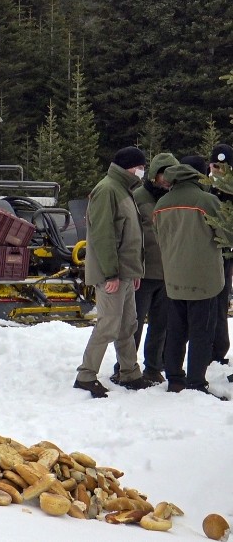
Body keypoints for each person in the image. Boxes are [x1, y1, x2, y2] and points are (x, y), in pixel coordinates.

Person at [73, 147, 154, 398]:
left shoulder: (123, 189)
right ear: (131, 167)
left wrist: (134, 271)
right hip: (113, 274)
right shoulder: (108, 189)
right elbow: (104, 236)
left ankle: (130, 373)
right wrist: (111, 274)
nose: (143, 171)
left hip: (125, 273)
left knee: (127, 324)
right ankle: (86, 375)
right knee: (108, 325)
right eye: (141, 166)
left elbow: (130, 234)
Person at [154, 158, 228, 400]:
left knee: (176, 330)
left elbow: (159, 237)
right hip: (203, 278)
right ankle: (196, 383)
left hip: (173, 276)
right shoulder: (207, 201)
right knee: (201, 333)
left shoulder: (161, 204)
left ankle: (175, 378)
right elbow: (226, 234)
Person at [110, 152, 174, 384]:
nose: (166, 179)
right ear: (155, 174)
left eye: (171, 174)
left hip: (168, 273)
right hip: (142, 273)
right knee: (132, 326)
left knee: (161, 326)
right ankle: (124, 368)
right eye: (163, 174)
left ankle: (153, 367)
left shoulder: (175, 198)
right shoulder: (137, 197)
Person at [208, 144, 233, 365]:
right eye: (216, 165)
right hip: (207, 252)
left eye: (223, 167)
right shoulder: (206, 189)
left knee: (221, 301)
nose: (218, 170)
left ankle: (219, 348)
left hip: (226, 255)